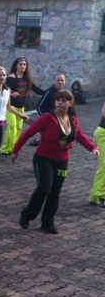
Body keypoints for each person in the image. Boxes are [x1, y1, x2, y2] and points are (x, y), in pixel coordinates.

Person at [12, 90, 99, 234]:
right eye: (58, 100)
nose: (60, 103)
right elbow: (28, 133)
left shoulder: (73, 120)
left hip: (62, 160)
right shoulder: (46, 118)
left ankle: (47, 222)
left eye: (64, 100)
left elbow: (80, 136)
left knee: (55, 192)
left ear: (70, 103)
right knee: (44, 188)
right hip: (43, 158)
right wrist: (16, 150)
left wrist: (93, 148)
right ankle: (27, 214)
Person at [0, 57, 44, 156]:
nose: (22, 66)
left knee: (19, 128)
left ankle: (12, 147)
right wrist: (12, 93)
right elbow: (4, 89)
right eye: (20, 64)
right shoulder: (12, 77)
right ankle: (5, 149)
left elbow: (35, 89)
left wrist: (47, 93)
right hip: (10, 107)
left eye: (24, 64)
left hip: (20, 107)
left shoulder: (26, 78)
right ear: (16, 66)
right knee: (12, 127)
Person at [89, 101, 105, 208]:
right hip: (103, 133)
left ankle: (94, 197)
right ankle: (100, 195)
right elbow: (103, 113)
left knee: (103, 167)